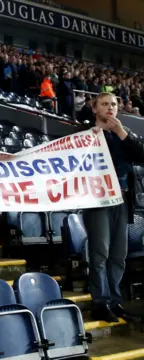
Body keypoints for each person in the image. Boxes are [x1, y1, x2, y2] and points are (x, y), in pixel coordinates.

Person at [84, 92, 144, 322]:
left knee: (119, 255)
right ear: (95, 108)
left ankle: (115, 301)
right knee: (100, 254)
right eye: (105, 104)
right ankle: (100, 302)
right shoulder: (85, 135)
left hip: (122, 199)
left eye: (113, 104)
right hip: (98, 201)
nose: (110, 108)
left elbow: (141, 155)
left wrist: (121, 132)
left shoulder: (125, 135)